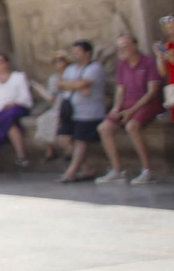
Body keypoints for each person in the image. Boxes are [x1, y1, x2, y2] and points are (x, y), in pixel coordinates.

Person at [98, 34, 163, 185]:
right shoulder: (122, 65)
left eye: (125, 46)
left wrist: (132, 111)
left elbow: (152, 92)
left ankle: (148, 171)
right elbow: (120, 90)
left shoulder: (149, 62)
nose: (122, 50)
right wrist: (116, 108)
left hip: (147, 103)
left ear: (134, 45)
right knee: (104, 128)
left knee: (132, 126)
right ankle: (118, 171)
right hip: (127, 104)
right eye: (119, 47)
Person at [57, 41, 107, 183]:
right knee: (63, 139)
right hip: (71, 110)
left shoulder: (95, 68)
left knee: (80, 141)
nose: (75, 55)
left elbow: (83, 84)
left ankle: (70, 173)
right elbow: (61, 84)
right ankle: (87, 168)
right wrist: (78, 86)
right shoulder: (71, 69)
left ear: (87, 53)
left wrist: (75, 85)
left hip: (89, 112)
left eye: (78, 52)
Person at [36, 51, 72, 163]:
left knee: (58, 119)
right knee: (43, 119)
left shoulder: (73, 74)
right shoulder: (54, 78)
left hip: (71, 103)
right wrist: (40, 90)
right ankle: (50, 149)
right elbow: (52, 97)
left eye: (61, 60)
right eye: (56, 61)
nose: (59, 63)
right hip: (58, 104)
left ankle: (68, 151)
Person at [155, 15, 174, 114]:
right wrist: (159, 57)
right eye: (169, 28)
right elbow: (162, 73)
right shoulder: (167, 46)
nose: (171, 31)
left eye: (172, 27)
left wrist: (167, 55)